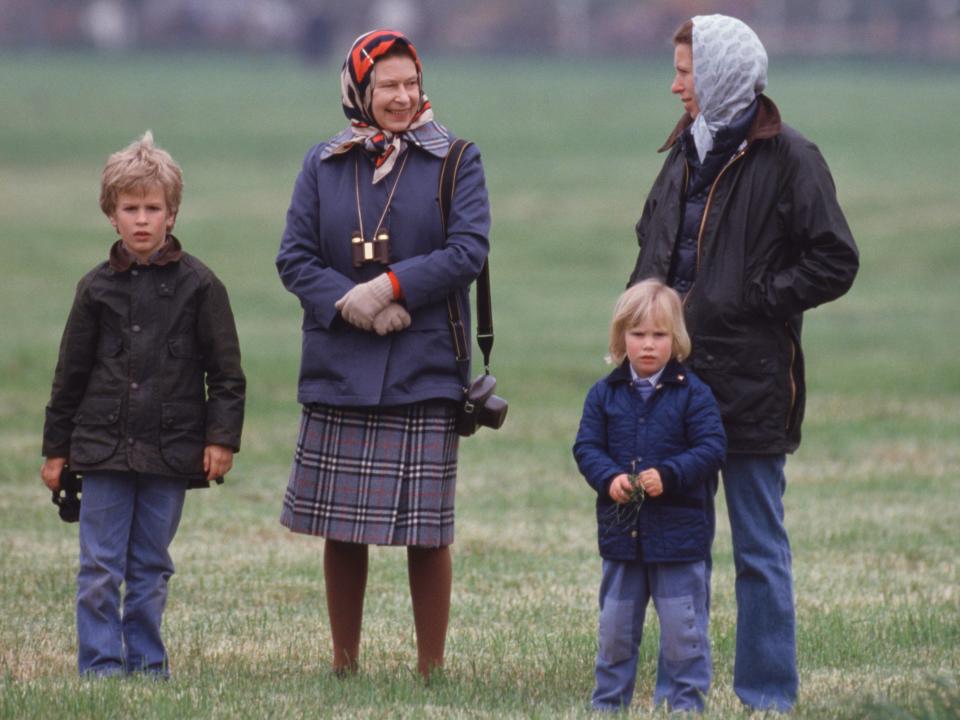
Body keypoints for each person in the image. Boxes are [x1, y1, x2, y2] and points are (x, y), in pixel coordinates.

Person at [627, 15, 859, 712]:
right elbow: (652, 244)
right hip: (673, 390)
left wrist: (756, 297)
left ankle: (767, 698)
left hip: (753, 385)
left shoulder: (793, 158)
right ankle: (681, 696)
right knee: (679, 551)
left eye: (686, 72)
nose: (675, 86)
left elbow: (835, 260)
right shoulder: (682, 153)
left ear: (724, 73)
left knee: (758, 552)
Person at [275, 29, 490, 679]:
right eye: (386, 86)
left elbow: (467, 251)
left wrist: (391, 287)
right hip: (339, 364)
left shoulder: (456, 158)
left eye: (410, 84)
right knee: (342, 529)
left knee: (427, 532)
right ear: (359, 92)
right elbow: (294, 259)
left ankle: (431, 670)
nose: (401, 97)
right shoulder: (324, 163)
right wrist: (351, 302)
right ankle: (345, 667)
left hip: (425, 365)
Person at [40, 131, 246, 677]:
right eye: (129, 208)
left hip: (171, 451)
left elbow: (226, 374)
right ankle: (101, 667)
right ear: (111, 214)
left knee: (151, 565)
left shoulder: (202, 286)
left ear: (172, 214)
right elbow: (69, 376)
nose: (141, 220)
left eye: (152, 208)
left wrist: (221, 438)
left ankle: (149, 665)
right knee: (100, 568)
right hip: (101, 450)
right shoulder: (94, 290)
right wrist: (56, 451)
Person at [573, 280, 726, 713]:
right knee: (616, 631)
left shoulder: (694, 394)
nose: (647, 345)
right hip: (622, 539)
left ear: (676, 339)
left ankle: (686, 706)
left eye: (659, 335)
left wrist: (670, 474)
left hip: (679, 540)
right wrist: (608, 479)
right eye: (638, 334)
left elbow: (712, 449)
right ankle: (607, 705)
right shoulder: (603, 395)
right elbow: (586, 448)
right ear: (621, 337)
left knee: (683, 633)